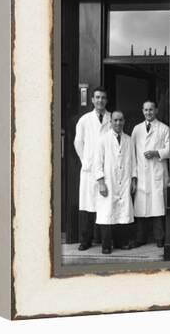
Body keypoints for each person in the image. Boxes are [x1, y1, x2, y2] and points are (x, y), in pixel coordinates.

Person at [92, 111, 137, 254]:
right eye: (115, 120)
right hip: (109, 181)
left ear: (124, 121)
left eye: (121, 120)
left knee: (122, 213)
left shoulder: (129, 140)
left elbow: (133, 162)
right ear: (110, 122)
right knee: (107, 213)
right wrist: (101, 182)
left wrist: (134, 179)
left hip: (124, 181)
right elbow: (97, 163)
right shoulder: (103, 140)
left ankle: (121, 242)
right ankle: (106, 245)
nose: (118, 123)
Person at [73, 87, 111, 251]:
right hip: (89, 170)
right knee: (87, 206)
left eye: (103, 98)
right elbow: (78, 142)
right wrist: (85, 161)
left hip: (106, 168)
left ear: (106, 100)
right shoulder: (84, 120)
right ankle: (85, 240)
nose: (100, 100)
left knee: (105, 206)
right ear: (92, 100)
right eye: (97, 97)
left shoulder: (112, 118)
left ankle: (106, 242)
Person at [131, 101, 170, 248]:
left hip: (157, 172)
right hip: (141, 173)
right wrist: (133, 177)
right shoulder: (136, 129)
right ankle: (140, 238)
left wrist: (156, 153)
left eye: (151, 109)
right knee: (141, 208)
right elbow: (132, 154)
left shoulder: (164, 129)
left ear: (156, 110)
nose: (148, 112)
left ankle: (160, 238)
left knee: (157, 207)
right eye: (146, 110)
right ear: (142, 111)